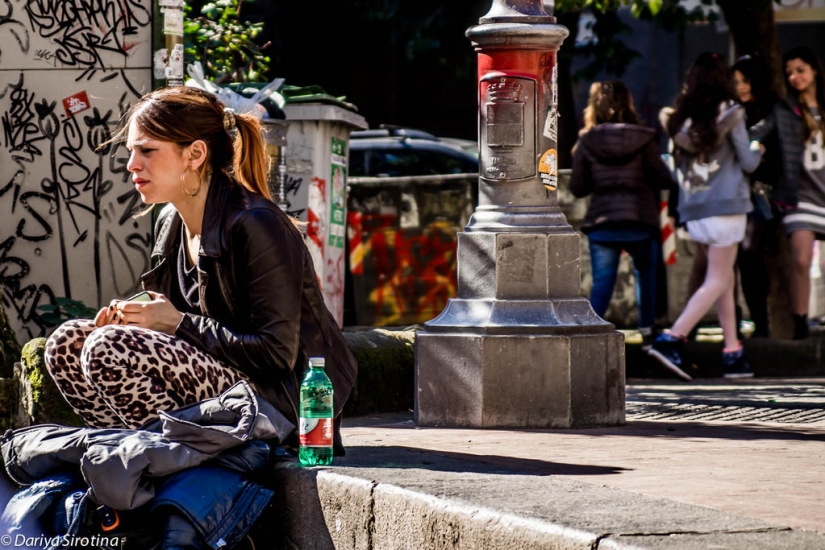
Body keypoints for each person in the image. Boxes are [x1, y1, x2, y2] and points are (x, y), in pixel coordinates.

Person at [43, 86, 358, 454]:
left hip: (284, 404)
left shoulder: (256, 224)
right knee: (66, 344)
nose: (131, 165)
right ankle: (141, 456)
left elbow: (276, 355)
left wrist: (176, 324)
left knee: (106, 348)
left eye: (147, 150)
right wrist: (137, 323)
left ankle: (168, 461)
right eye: (131, 151)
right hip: (220, 385)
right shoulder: (169, 222)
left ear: (194, 154)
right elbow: (176, 342)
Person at [653, 52, 762, 380]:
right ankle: (671, 338)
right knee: (717, 280)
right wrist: (758, 149)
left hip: (694, 209)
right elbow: (748, 162)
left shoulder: (680, 117)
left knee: (724, 281)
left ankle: (733, 352)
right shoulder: (732, 112)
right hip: (727, 206)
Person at [570, 80, 676, 345]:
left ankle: (587, 339)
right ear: (628, 103)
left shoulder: (587, 140)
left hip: (602, 222)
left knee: (602, 283)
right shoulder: (643, 137)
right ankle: (649, 334)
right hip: (639, 219)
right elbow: (664, 179)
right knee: (646, 275)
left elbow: (578, 187)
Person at [751, 46, 825, 340]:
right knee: (801, 259)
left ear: (814, 70)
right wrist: (752, 145)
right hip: (800, 194)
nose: (795, 77)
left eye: (800, 70)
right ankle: (800, 322)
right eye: (789, 73)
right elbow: (757, 134)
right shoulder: (785, 110)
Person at [731, 53, 782, 339]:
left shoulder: (774, 112)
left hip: (764, 197)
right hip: (736, 195)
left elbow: (780, 159)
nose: (741, 86)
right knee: (733, 262)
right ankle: (738, 324)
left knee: (750, 256)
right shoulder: (732, 112)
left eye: (746, 80)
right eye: (736, 81)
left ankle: (760, 325)